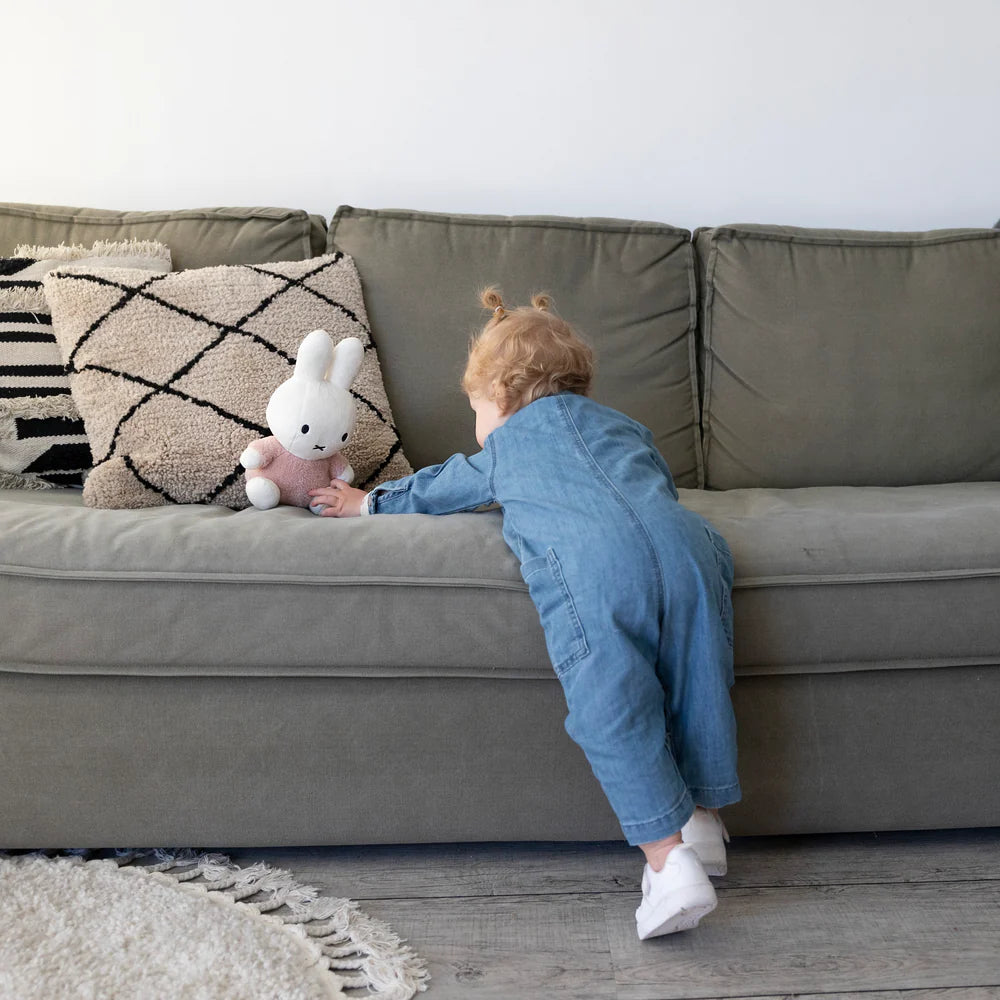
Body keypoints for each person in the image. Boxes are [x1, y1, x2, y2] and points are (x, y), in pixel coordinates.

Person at [309, 288, 740, 939]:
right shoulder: (627, 428)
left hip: (598, 565)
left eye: (476, 408)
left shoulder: (507, 446)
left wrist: (367, 503)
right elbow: (648, 484)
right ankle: (705, 821)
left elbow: (445, 484)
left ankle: (669, 863)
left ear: (502, 399)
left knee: (613, 700)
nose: (478, 422)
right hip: (690, 549)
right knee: (697, 675)